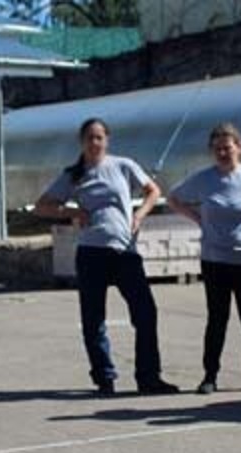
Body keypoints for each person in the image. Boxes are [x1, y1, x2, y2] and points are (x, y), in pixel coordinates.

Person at [35, 118, 178, 396]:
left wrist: (139, 214)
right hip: (91, 253)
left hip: (125, 251)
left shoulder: (123, 166)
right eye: (89, 137)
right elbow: (42, 206)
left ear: (107, 140)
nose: (94, 142)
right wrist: (74, 213)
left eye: (99, 137)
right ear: (82, 142)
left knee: (145, 313)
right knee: (93, 319)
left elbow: (153, 191)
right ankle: (104, 378)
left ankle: (149, 377)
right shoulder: (74, 174)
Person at [168, 123, 241, 395]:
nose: (223, 152)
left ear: (239, 148)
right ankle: (210, 376)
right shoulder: (203, 179)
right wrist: (197, 219)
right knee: (217, 318)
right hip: (215, 259)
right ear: (212, 150)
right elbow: (173, 198)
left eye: (228, 147)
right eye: (218, 148)